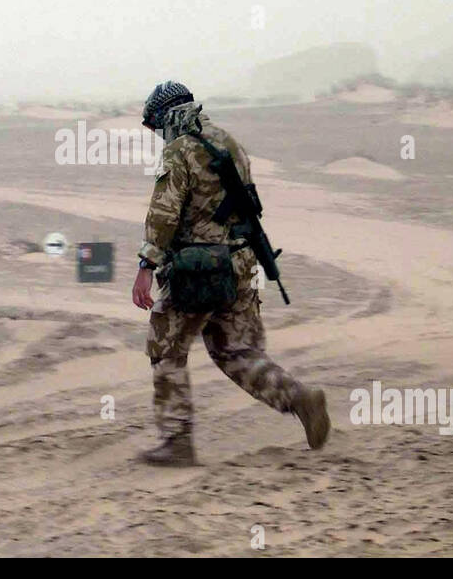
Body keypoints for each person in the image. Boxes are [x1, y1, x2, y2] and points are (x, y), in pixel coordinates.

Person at [131, 81, 330, 466]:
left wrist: (146, 266)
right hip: (240, 266)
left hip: (197, 271)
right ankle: (299, 398)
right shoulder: (230, 143)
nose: (158, 135)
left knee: (166, 347)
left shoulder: (179, 151)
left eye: (157, 126)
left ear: (168, 115)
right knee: (237, 351)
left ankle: (176, 441)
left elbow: (164, 214)